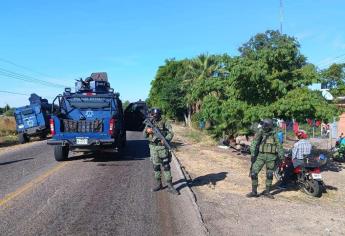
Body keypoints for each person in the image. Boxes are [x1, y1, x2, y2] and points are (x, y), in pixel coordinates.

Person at [143, 108, 179, 195]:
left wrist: (166, 139)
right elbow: (144, 135)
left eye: (156, 115)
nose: (155, 117)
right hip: (153, 148)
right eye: (153, 115)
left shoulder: (164, 122)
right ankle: (159, 184)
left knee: (166, 166)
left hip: (162, 148)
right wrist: (147, 131)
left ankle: (170, 186)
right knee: (156, 167)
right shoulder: (149, 123)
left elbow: (171, 133)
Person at [247, 118, 284, 199]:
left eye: (265, 125)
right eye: (263, 125)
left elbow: (279, 144)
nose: (264, 126)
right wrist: (253, 153)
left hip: (271, 156)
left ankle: (267, 192)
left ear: (269, 126)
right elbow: (254, 142)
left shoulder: (274, 133)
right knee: (253, 173)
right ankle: (254, 192)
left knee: (270, 174)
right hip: (261, 156)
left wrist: (281, 155)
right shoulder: (260, 131)